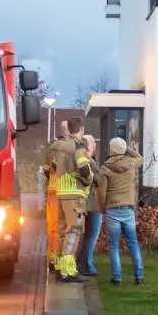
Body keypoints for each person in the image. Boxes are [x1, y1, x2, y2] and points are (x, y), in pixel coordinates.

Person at [97, 137, 145, 285]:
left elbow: (101, 193)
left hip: (112, 210)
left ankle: (117, 278)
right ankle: (139, 277)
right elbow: (140, 158)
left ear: (110, 149)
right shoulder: (131, 164)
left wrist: (102, 208)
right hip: (128, 210)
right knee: (133, 244)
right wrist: (127, 148)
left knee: (113, 245)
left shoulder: (105, 169)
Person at [53, 117, 95, 282]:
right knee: (73, 231)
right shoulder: (78, 146)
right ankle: (68, 271)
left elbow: (53, 166)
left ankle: (58, 266)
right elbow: (83, 167)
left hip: (61, 193)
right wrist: (89, 179)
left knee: (62, 230)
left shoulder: (60, 146)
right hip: (74, 195)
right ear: (81, 129)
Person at [42, 119, 71, 272]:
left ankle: (51, 258)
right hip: (65, 191)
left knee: (52, 226)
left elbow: (47, 170)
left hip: (52, 191)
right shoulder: (70, 147)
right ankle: (61, 260)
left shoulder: (51, 148)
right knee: (64, 228)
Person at [79, 134, 103, 277]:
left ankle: (82, 263)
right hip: (93, 205)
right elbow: (99, 180)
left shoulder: (78, 161)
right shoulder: (89, 163)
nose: (95, 147)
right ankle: (87, 265)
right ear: (89, 146)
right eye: (93, 144)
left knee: (84, 236)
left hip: (83, 204)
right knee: (92, 236)